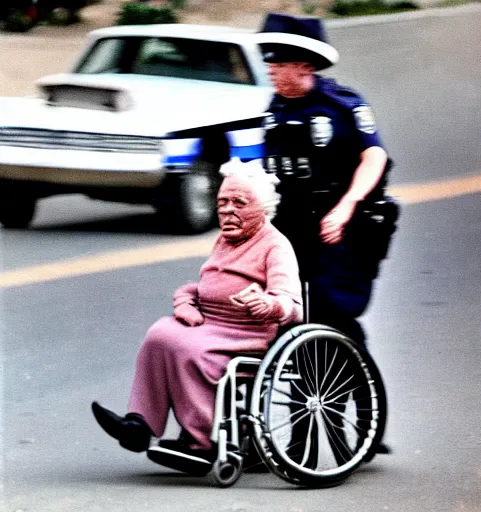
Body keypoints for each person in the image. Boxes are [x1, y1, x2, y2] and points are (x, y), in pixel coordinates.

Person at [91, 158, 303, 473]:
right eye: (223, 202)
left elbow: (291, 305)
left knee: (191, 351)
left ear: (263, 208)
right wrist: (185, 300)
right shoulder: (225, 240)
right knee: (160, 334)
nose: (228, 210)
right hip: (211, 325)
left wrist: (268, 304)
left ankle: (201, 443)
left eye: (239, 203)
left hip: (246, 334)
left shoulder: (275, 247)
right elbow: (203, 287)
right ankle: (140, 424)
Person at [255, 13, 400, 457]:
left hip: (343, 226)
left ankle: (359, 420)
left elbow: (373, 156)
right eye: (271, 66)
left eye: (281, 65)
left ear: (306, 66)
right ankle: (296, 436)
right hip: (293, 227)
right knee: (291, 321)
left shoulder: (342, 104)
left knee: (336, 318)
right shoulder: (275, 109)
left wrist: (348, 204)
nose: (273, 72)